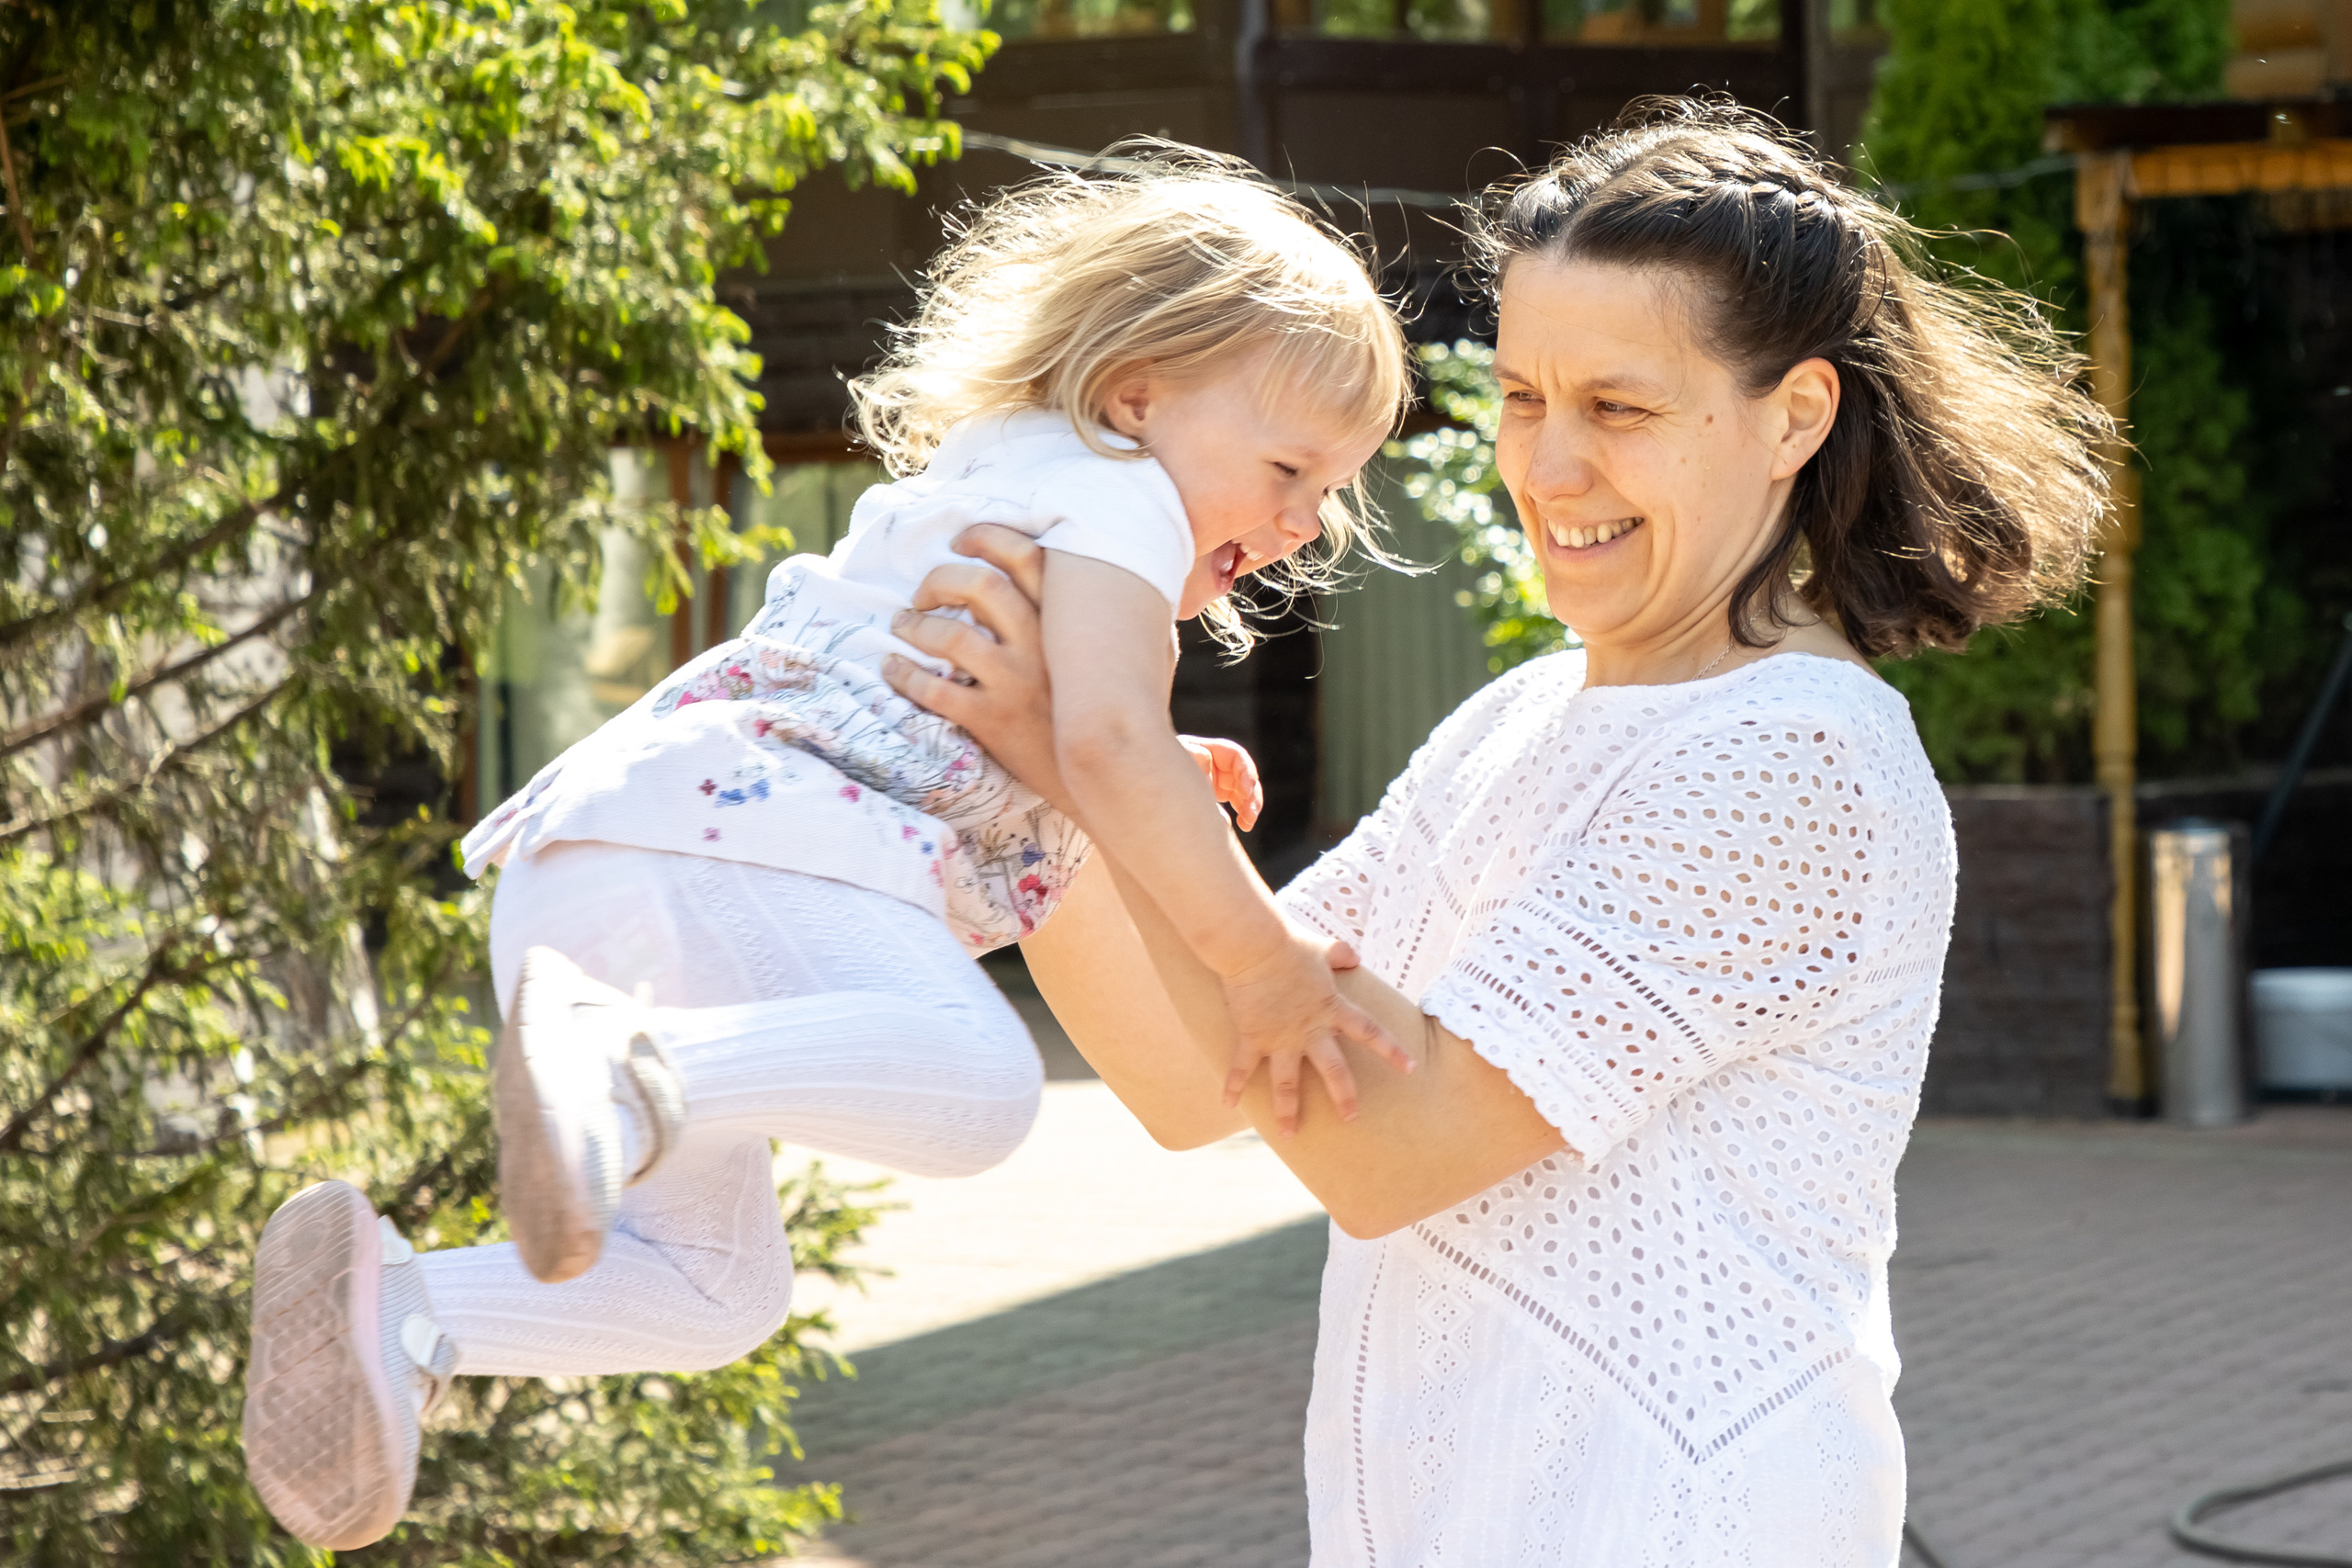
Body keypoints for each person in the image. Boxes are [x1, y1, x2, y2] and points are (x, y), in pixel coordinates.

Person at [882, 100, 2111, 1565]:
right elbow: (1195, 1073)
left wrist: (1095, 756)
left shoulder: (1791, 761)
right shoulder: (1519, 721)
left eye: (1620, 407)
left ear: (1795, 416)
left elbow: (1382, 1151)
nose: (1549, 466)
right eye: (1524, 396)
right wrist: (1037, 770)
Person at [238, 149, 1414, 1551]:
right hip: (735, 859)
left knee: (715, 1292)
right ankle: (632, 1073)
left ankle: (403, 1312)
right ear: (1138, 392)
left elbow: (1062, 746)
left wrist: (1136, 766)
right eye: (1288, 469)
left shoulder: (1009, 474)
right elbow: (1090, 745)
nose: (1299, 523)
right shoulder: (1122, 493)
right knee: (980, 1092)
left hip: (617, 863)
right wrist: (1266, 961)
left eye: (1330, 493)